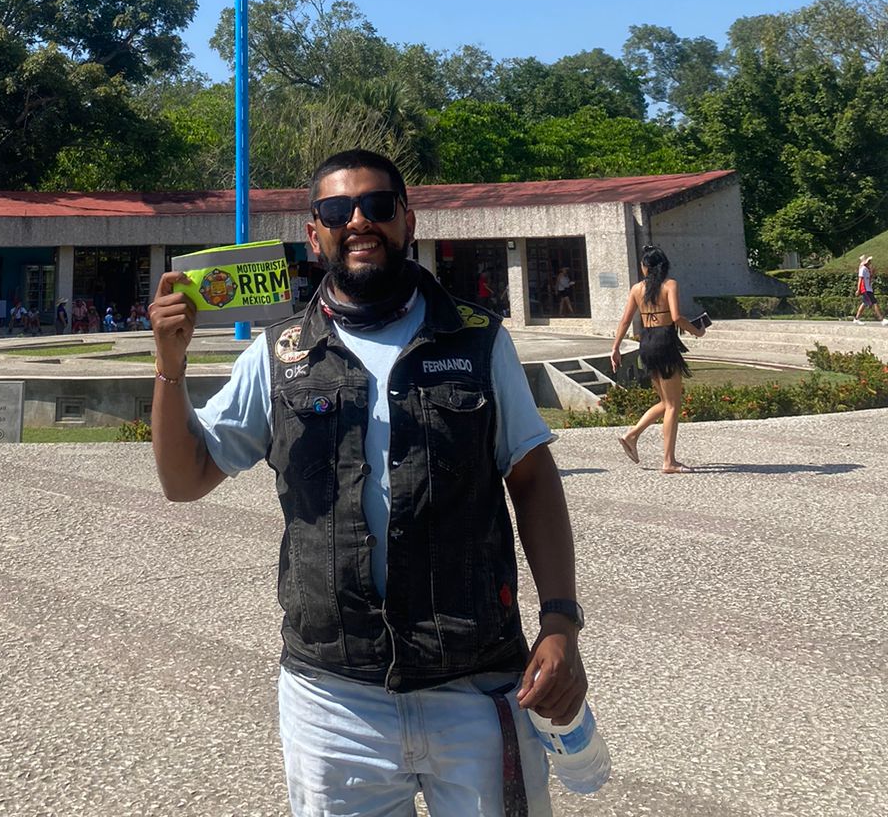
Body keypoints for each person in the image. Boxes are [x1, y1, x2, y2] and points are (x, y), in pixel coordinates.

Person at [151, 148, 587, 817]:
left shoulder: (477, 342)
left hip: (475, 682)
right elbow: (185, 481)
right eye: (335, 210)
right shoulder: (279, 356)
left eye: (377, 207)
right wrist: (169, 369)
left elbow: (532, 479)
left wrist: (560, 623)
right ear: (314, 233)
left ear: (407, 221)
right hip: (333, 698)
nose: (358, 221)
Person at [610, 244, 705, 474]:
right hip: (664, 342)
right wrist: (697, 331)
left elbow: (625, 321)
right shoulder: (669, 285)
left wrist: (615, 348)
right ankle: (668, 461)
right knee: (673, 404)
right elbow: (676, 317)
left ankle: (632, 435)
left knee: (665, 401)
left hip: (647, 343)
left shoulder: (636, 289)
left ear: (646, 267)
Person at [854, 255, 888, 324]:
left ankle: (856, 318)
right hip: (865, 289)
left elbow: (869, 280)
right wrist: (858, 290)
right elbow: (860, 280)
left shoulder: (867, 270)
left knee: (864, 303)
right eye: (869, 261)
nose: (870, 262)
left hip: (868, 288)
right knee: (874, 303)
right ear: (866, 262)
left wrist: (872, 273)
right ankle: (881, 319)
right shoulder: (863, 269)